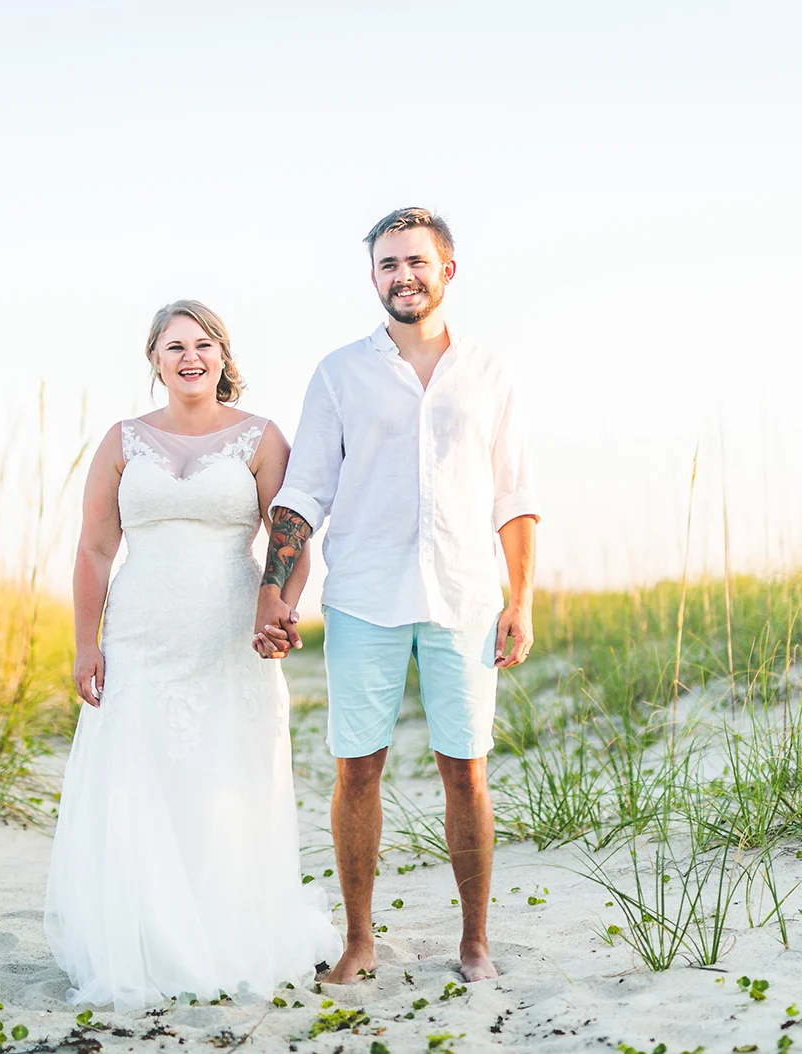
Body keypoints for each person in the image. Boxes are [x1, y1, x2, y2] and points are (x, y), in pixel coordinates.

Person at [254, 207, 539, 984]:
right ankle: (358, 940)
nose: (402, 276)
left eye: (415, 261)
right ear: (373, 277)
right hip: (363, 596)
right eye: (387, 264)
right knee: (358, 769)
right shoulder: (339, 373)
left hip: (466, 596)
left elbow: (513, 496)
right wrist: (273, 589)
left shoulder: (489, 374)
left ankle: (475, 941)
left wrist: (522, 599)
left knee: (466, 770)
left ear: (448, 270)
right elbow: (304, 491)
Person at [44, 300, 338, 1010]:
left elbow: (290, 537)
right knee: (139, 782)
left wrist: (280, 605)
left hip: (227, 638)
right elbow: (93, 547)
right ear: (153, 359)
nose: (189, 357)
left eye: (203, 344)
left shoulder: (262, 437)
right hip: (141, 637)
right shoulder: (122, 440)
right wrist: (87, 642)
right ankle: (145, 943)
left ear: (223, 356)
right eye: (174, 346)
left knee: (222, 780)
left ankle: (226, 935)